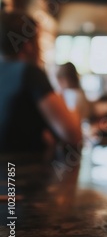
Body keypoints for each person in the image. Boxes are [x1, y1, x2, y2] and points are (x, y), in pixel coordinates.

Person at [0, 11, 81, 153]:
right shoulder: (28, 72)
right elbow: (72, 135)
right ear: (28, 45)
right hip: (17, 170)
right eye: (38, 40)